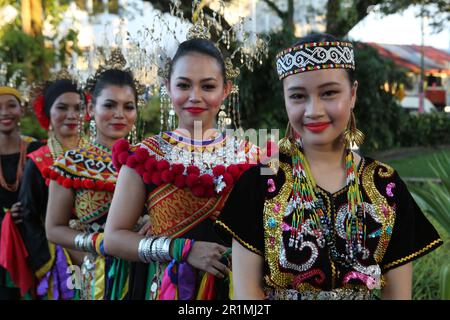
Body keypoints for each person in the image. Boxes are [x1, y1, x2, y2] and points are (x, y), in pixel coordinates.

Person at [215, 33, 443, 300]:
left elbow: (398, 293)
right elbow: (247, 293)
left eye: (329, 93)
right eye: (298, 96)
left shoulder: (386, 185)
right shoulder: (260, 181)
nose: (314, 110)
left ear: (353, 94)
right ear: (285, 100)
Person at [104, 38, 259, 300]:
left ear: (226, 90)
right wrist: (182, 249)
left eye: (208, 86)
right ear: (168, 88)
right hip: (170, 289)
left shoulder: (255, 156)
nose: (195, 97)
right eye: (184, 85)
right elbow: (114, 239)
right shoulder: (144, 154)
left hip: (238, 291)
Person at [45, 53, 138, 300]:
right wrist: (99, 242)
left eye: (128, 106)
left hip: (148, 271)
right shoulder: (70, 164)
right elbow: (54, 229)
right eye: (109, 105)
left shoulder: (150, 161)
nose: (120, 114)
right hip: (99, 276)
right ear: (90, 110)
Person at [17, 73, 87, 300]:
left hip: (101, 251)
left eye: (78, 107)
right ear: (47, 112)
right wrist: (51, 260)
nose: (72, 115)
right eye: (62, 108)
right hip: (59, 258)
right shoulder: (38, 160)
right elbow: (29, 217)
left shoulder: (98, 154)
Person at [0, 83, 42, 299]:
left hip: (33, 243)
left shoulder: (35, 150)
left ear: (21, 109)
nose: (5, 112)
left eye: (11, 105)